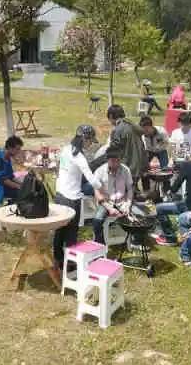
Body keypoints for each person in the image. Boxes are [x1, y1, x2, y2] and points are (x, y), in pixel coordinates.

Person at [52, 125, 103, 267]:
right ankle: (70, 262)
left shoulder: (65, 149)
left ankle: (57, 258)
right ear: (85, 139)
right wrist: (103, 188)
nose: (90, 144)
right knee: (71, 232)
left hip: (60, 193)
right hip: (72, 198)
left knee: (60, 228)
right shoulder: (79, 157)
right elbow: (91, 179)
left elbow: (59, 168)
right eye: (90, 141)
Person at [152, 150, 191, 246]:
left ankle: (170, 237)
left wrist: (169, 191)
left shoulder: (187, 166)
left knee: (159, 208)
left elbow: (175, 186)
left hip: (189, 207)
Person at [92, 147, 134, 244]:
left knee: (139, 216)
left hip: (122, 201)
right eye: (113, 161)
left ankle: (133, 242)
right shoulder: (99, 172)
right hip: (106, 203)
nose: (116, 163)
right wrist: (110, 208)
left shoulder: (125, 170)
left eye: (118, 161)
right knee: (97, 221)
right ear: (108, 160)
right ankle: (100, 244)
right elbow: (97, 193)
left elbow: (130, 189)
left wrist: (128, 204)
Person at [107, 104, 148, 186]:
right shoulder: (132, 125)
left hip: (128, 167)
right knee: (132, 190)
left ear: (111, 116)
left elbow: (114, 152)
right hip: (139, 166)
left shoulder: (118, 129)